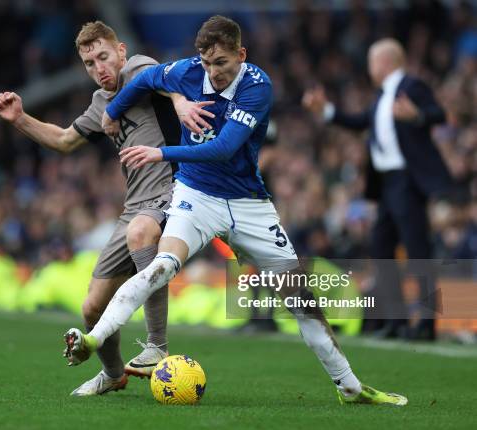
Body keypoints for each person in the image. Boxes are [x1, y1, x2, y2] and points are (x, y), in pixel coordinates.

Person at [64, 16, 407, 406]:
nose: (213, 72)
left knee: (302, 301)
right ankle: (93, 339)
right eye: (207, 63)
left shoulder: (257, 87)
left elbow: (223, 149)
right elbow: (145, 80)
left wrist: (161, 152)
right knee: (162, 264)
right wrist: (113, 112)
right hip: (196, 195)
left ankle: (350, 387)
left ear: (240, 55)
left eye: (222, 63)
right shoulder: (189, 71)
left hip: (248, 203)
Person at [0, 21, 212, 396]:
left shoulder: (138, 67)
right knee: (93, 309)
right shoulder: (100, 103)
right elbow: (63, 140)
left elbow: (167, 81)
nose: (99, 68)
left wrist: (179, 102)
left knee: (141, 232)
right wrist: (20, 119)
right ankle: (113, 374)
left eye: (104, 57)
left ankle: (157, 346)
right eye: (90, 63)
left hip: (177, 189)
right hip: (135, 205)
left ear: (121, 51)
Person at [303, 38, 452, 340]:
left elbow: (438, 113)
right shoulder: (382, 96)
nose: (369, 68)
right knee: (382, 249)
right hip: (386, 183)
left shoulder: (412, 86)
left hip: (408, 179)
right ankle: (395, 320)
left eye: (372, 62)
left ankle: (426, 324)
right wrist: (327, 111)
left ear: (384, 62)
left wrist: (418, 116)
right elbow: (359, 123)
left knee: (417, 251)